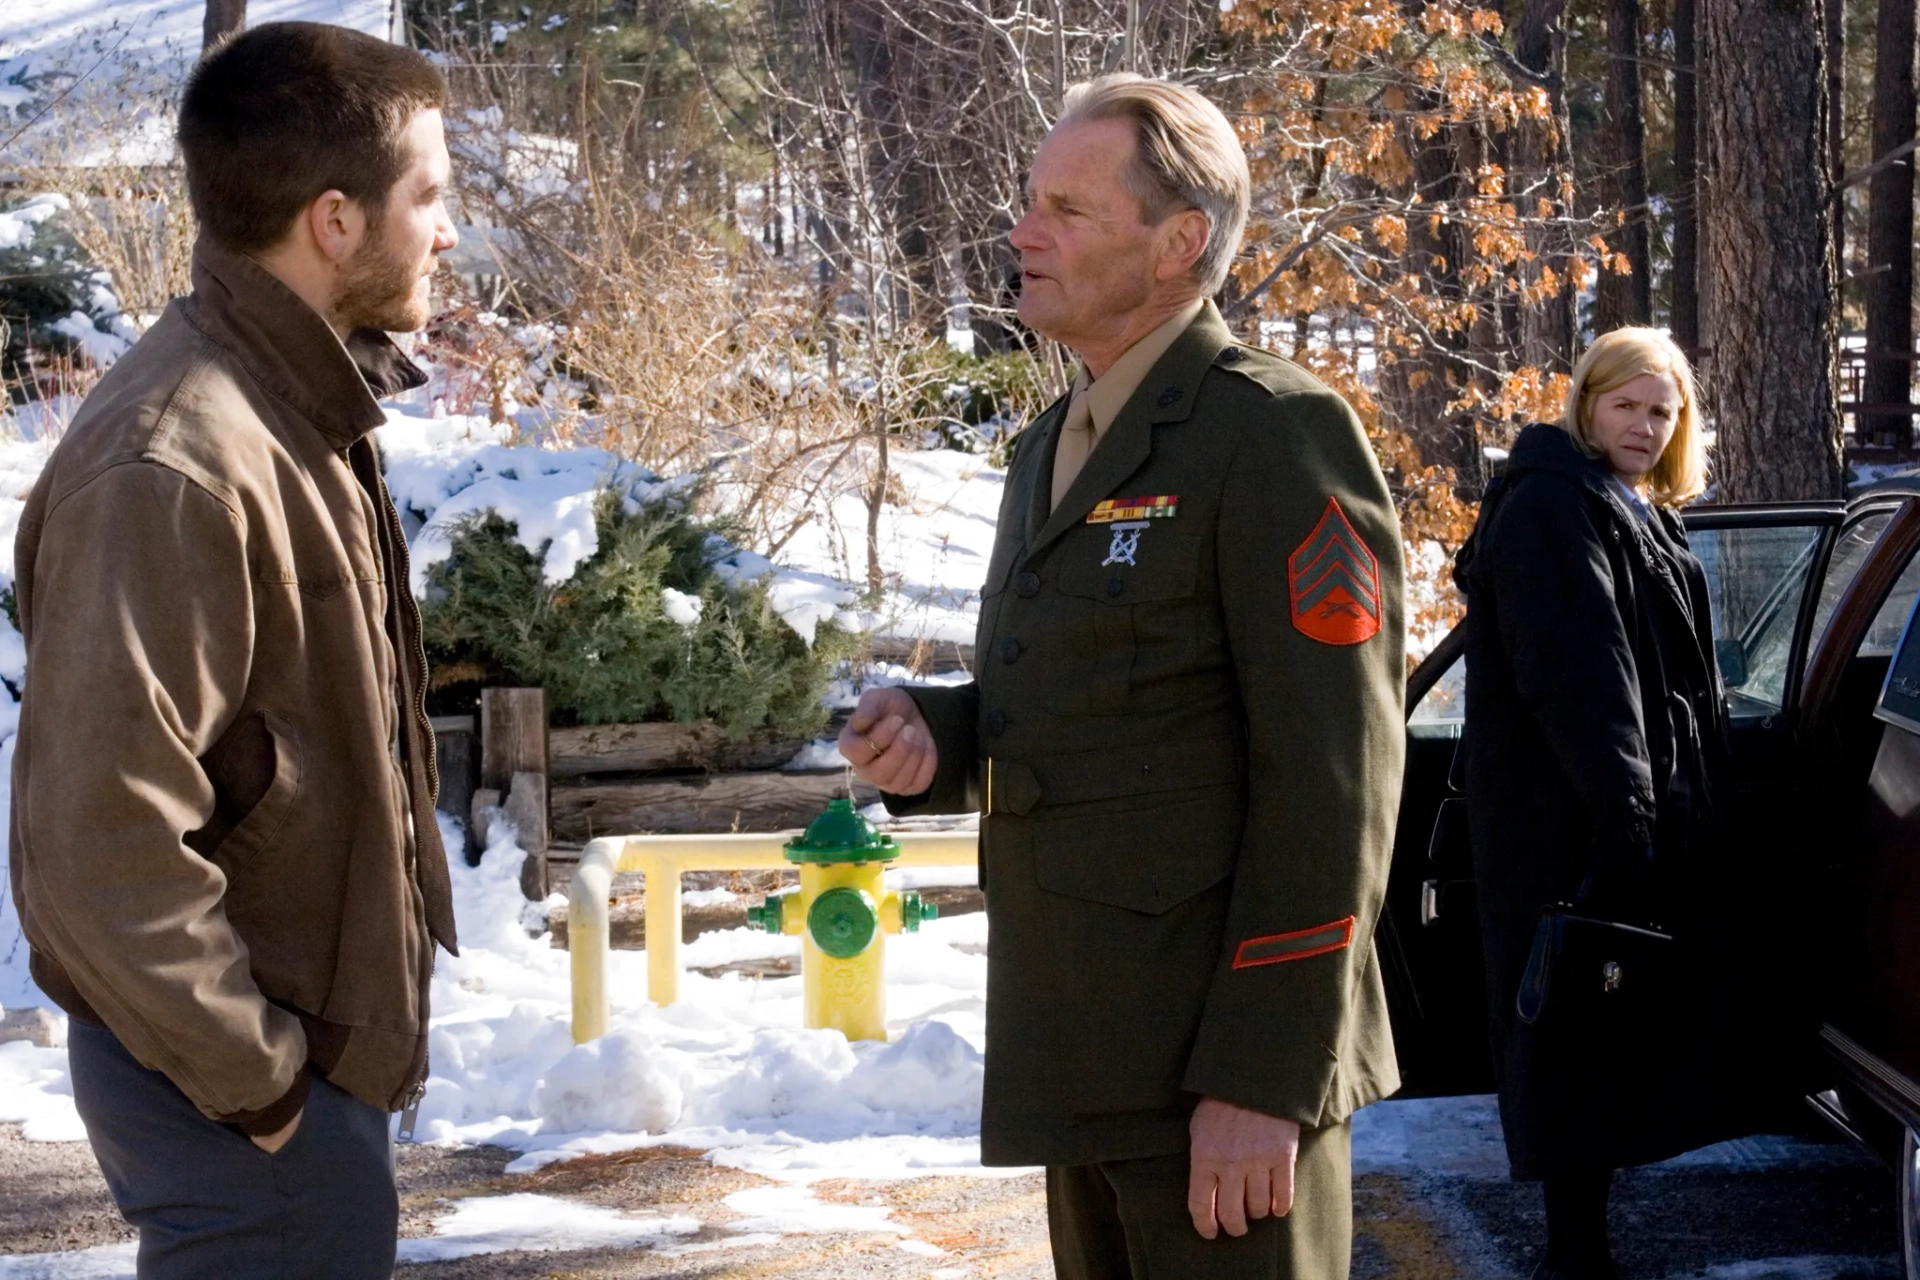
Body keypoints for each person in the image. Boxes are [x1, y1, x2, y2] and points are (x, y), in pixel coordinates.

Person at [840, 74, 1406, 1280]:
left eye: (1068, 209)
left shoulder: (1271, 435)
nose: (1022, 231)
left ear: (1178, 242)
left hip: (1217, 1079)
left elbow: (1337, 777)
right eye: (1028, 203)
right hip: (1087, 1058)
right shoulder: (1054, 444)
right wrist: (940, 736)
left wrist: (1264, 1077)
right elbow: (1101, 701)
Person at [9, 22, 460, 1277]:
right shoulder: (175, 461)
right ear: (333, 220)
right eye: (428, 193)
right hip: (231, 1089)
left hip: (280, 1066)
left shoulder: (287, 403)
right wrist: (264, 1088)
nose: (448, 225)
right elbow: (100, 843)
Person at [1454, 327, 1737, 1279]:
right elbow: (1582, 679)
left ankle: (1585, 1243)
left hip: (1611, 809)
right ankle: (1575, 1255)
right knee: (1571, 1029)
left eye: (1663, 411)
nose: (1646, 426)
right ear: (1585, 404)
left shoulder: (1630, 506)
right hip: (1564, 818)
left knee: (1599, 1030)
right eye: (1626, 405)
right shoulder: (1551, 506)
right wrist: (1627, 821)